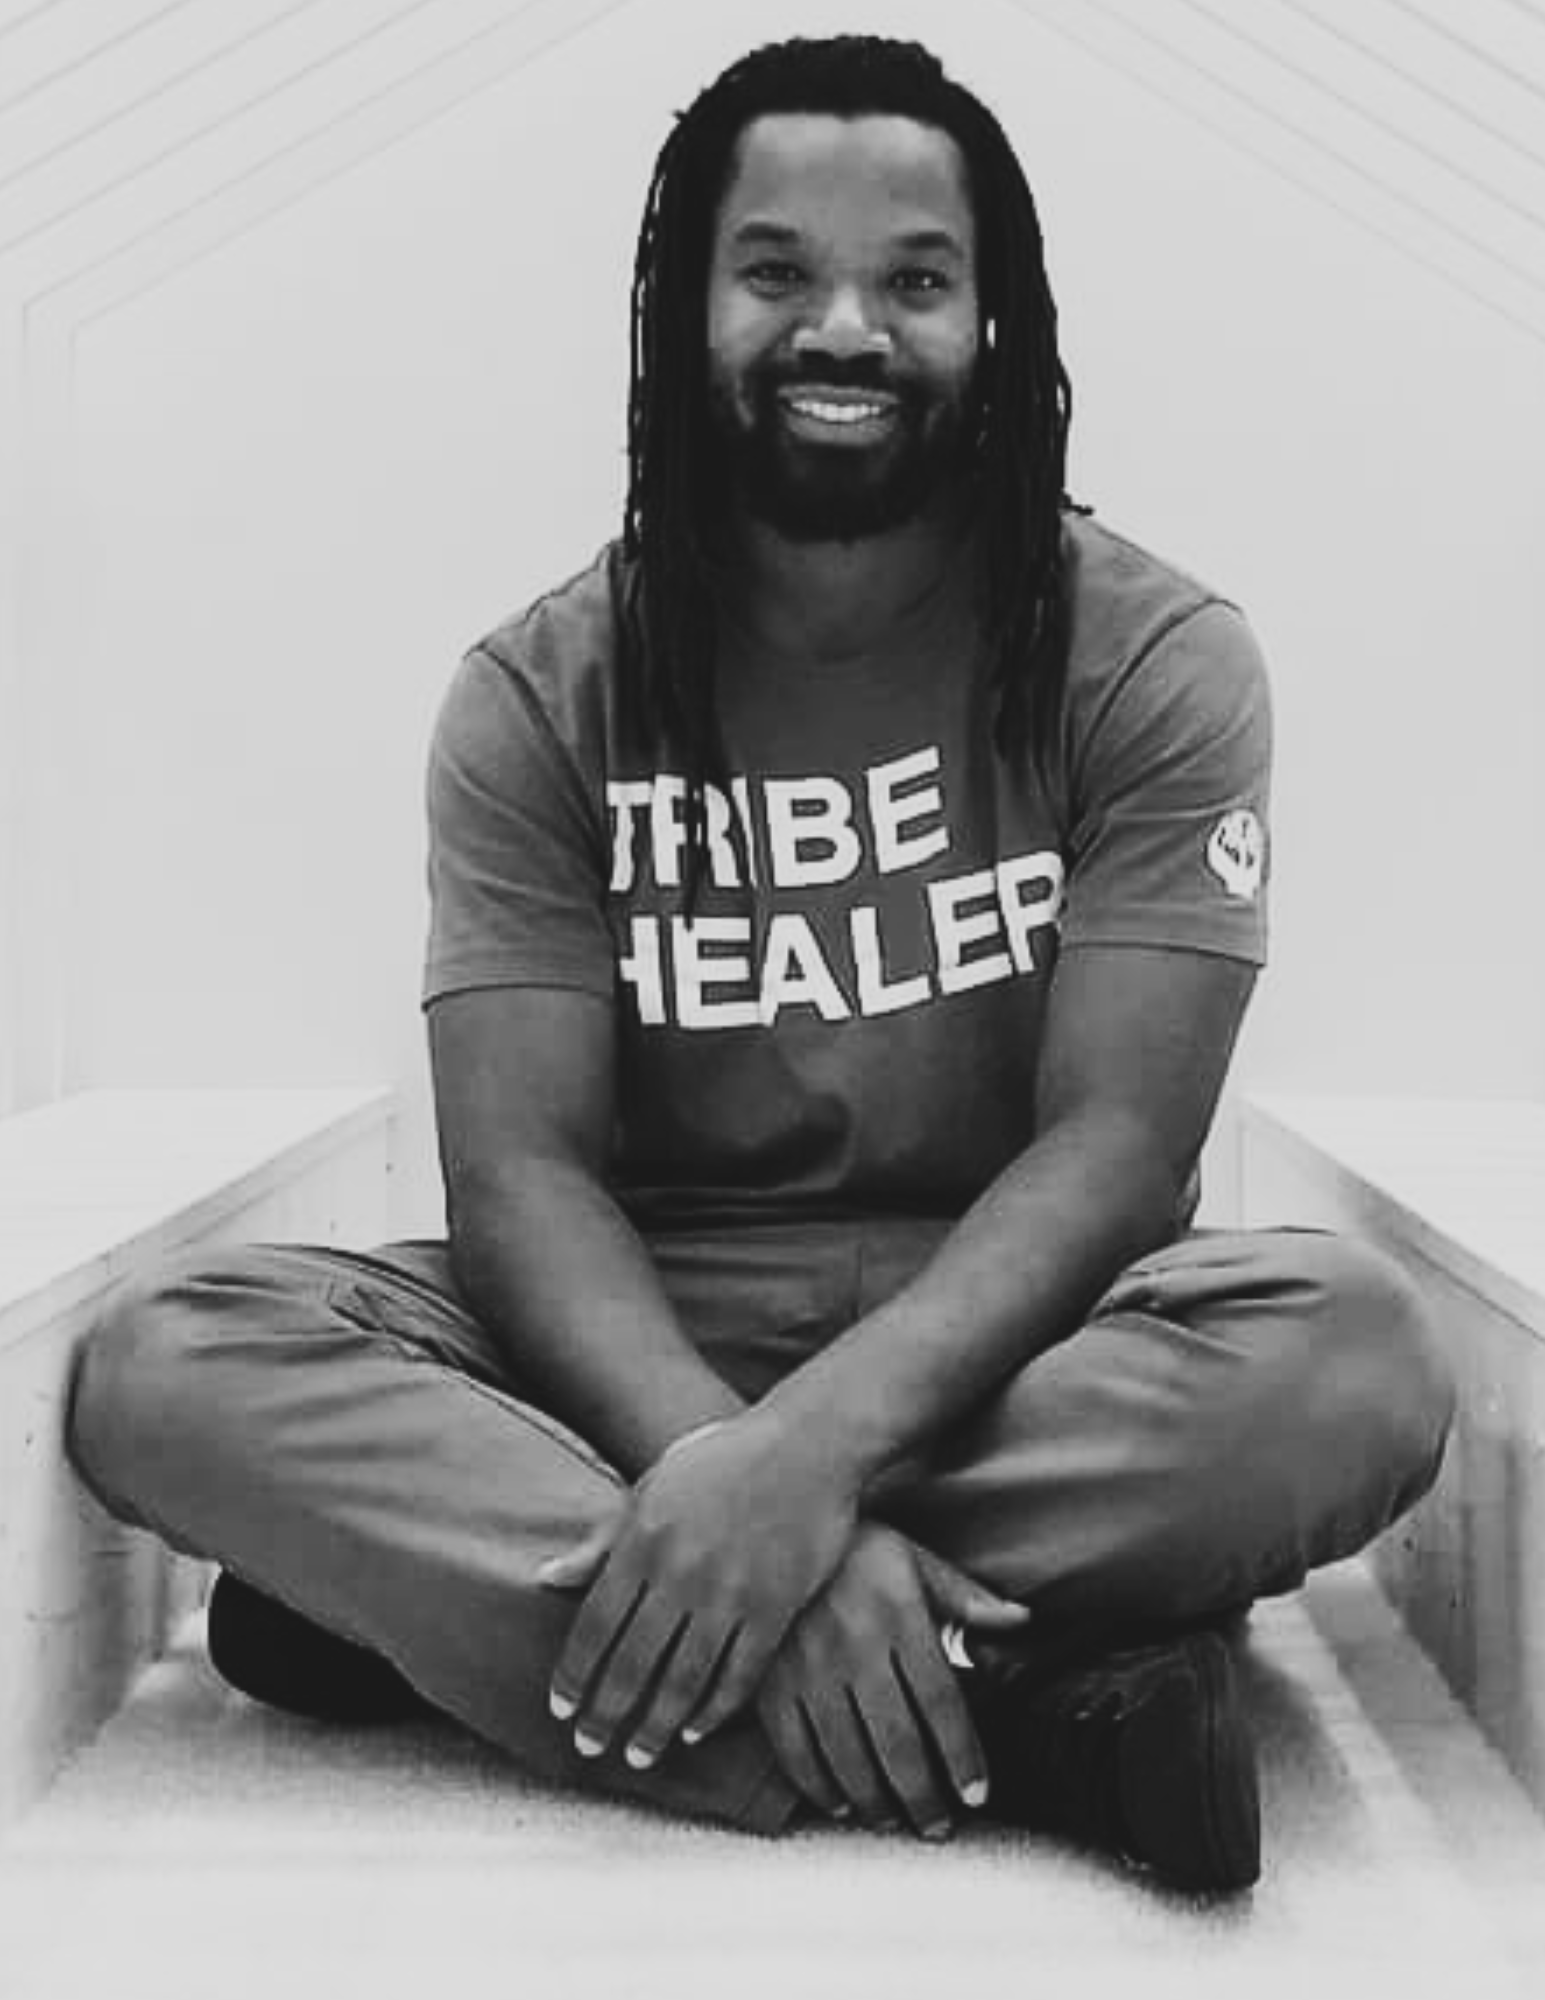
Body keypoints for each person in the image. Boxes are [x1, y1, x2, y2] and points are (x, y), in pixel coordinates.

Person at [66, 35, 1454, 1895]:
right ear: (686, 310)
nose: (846, 329)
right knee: (171, 1370)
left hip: (1013, 1334)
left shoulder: (1154, 661)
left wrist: (795, 1472)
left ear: (997, 319)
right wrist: (719, 1461)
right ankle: (1032, 1708)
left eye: (916, 279)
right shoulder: (538, 692)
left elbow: (1115, 1154)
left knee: (1351, 1364)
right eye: (779, 269)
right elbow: (522, 1174)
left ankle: (464, 1626)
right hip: (626, 1330)